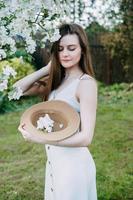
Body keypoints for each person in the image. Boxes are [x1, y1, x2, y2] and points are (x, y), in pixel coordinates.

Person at [17, 23, 98, 200]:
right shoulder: (57, 80)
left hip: (74, 168)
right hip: (55, 163)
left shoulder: (86, 84)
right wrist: (47, 69)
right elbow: (17, 90)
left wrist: (41, 139)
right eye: (60, 49)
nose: (65, 54)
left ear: (82, 50)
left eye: (71, 48)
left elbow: (86, 138)